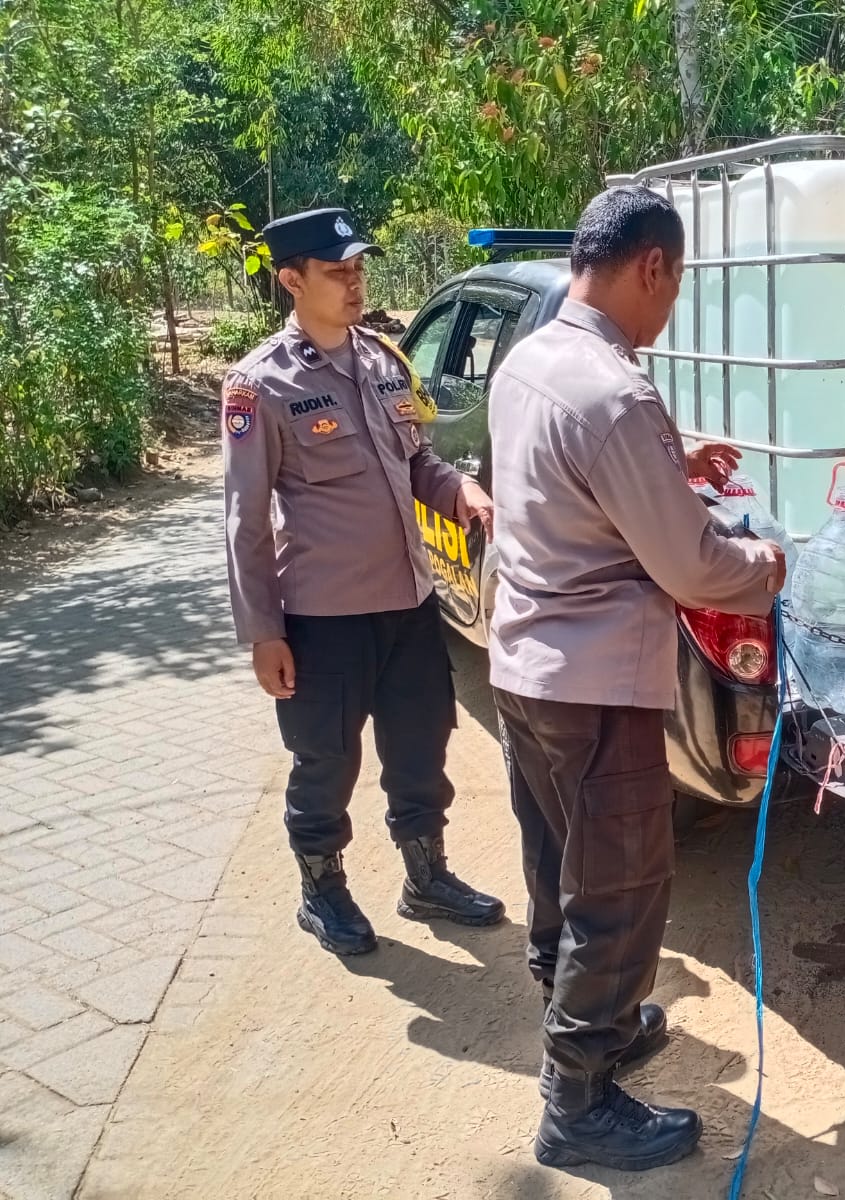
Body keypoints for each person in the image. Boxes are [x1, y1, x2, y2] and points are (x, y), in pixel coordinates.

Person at [488, 186, 785, 1173]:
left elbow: (578, 482)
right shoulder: (617, 393)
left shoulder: (531, 358)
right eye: (677, 285)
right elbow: (694, 566)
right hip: (598, 687)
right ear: (651, 267)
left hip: (526, 667)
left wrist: (672, 460)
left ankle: (590, 1023)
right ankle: (577, 1101)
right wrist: (767, 566)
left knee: (557, 865)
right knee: (621, 890)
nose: (672, 309)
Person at [222, 206, 505, 958]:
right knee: (326, 760)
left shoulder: (381, 361)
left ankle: (426, 877)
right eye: (337, 273)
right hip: (325, 617)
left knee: (420, 747)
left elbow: (417, 461)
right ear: (292, 279)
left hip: (409, 603)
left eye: (359, 271)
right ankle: (323, 890)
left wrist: (460, 493)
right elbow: (244, 522)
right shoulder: (259, 386)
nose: (354, 285)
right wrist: (263, 634)